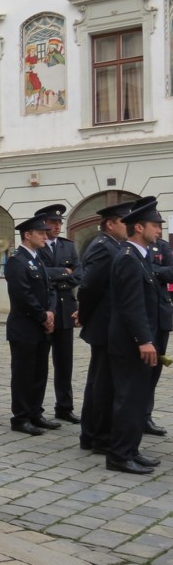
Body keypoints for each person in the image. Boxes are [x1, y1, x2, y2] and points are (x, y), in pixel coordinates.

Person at [106, 197, 165, 475]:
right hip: (130, 343)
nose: (159, 230)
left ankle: (131, 449)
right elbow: (132, 305)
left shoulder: (141, 257)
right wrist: (144, 340)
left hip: (137, 340)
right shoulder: (129, 258)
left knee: (138, 398)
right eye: (155, 225)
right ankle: (119, 455)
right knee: (128, 399)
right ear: (139, 227)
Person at [77, 200, 134, 454]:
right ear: (110, 224)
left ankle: (93, 433)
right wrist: (86, 317)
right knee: (102, 384)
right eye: (125, 221)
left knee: (102, 382)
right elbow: (89, 288)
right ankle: (97, 436)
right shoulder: (103, 247)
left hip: (107, 323)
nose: (129, 226)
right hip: (103, 324)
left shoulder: (116, 246)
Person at [6, 215, 57, 436]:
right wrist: (43, 316)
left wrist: (51, 312)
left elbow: (50, 289)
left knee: (39, 373)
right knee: (24, 374)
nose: (45, 236)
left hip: (40, 326)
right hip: (25, 327)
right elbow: (22, 295)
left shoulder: (38, 258)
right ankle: (21, 417)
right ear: (27, 235)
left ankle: (35, 412)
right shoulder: (17, 261)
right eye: (41, 233)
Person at [35, 204, 82, 424]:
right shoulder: (37, 246)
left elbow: (79, 274)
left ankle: (64, 407)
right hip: (45, 311)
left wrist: (55, 276)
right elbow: (39, 274)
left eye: (59, 222)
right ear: (42, 224)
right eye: (52, 222)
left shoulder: (68, 247)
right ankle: (36, 409)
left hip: (65, 310)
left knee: (65, 363)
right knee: (39, 364)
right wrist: (64, 272)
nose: (57, 226)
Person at [145, 236, 172, 436]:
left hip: (161, 315)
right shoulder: (132, 248)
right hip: (143, 316)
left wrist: (152, 271)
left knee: (155, 370)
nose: (156, 229)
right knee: (138, 371)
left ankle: (146, 416)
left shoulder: (161, 245)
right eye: (153, 224)